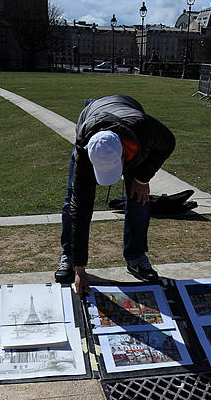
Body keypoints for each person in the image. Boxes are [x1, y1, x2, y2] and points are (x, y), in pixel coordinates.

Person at [55, 95, 176, 295]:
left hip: (130, 124)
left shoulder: (144, 129)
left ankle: (136, 257)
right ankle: (69, 256)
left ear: (123, 154)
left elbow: (168, 143)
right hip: (93, 117)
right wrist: (79, 268)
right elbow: (81, 210)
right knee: (72, 204)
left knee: (140, 199)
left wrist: (142, 179)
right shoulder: (84, 152)